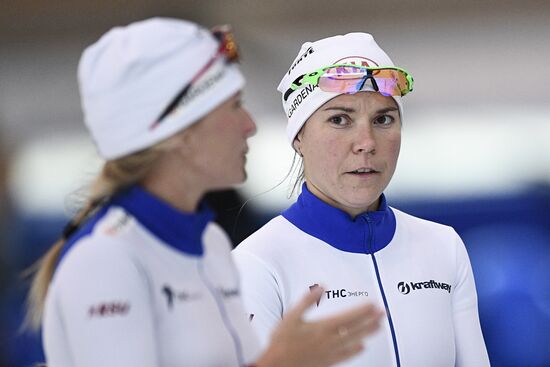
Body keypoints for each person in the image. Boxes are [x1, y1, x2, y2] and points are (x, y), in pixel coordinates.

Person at [25, 19, 385, 367]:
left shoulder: (211, 243)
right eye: (233, 105)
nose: (250, 125)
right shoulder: (105, 260)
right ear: (179, 133)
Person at [233, 33, 490, 367]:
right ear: (298, 136)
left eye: (383, 119)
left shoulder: (443, 246)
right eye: (340, 119)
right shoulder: (256, 264)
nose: (366, 143)